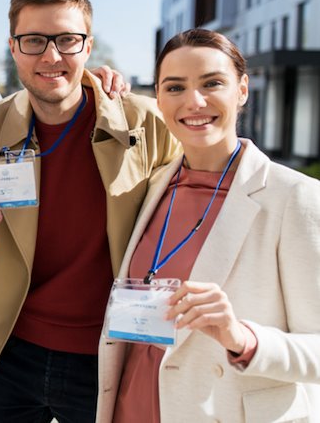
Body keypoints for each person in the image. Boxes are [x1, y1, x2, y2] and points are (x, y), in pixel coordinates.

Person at [0, 0, 181, 422]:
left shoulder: (145, 123)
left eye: (67, 40)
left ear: (88, 47)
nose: (51, 56)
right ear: (13, 49)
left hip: (109, 352)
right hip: (11, 352)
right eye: (33, 40)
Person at [96, 29, 320, 422]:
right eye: (175, 87)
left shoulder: (294, 197)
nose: (194, 101)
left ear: (242, 90)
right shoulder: (154, 187)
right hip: (131, 408)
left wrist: (242, 337)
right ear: (160, 100)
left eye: (212, 83)